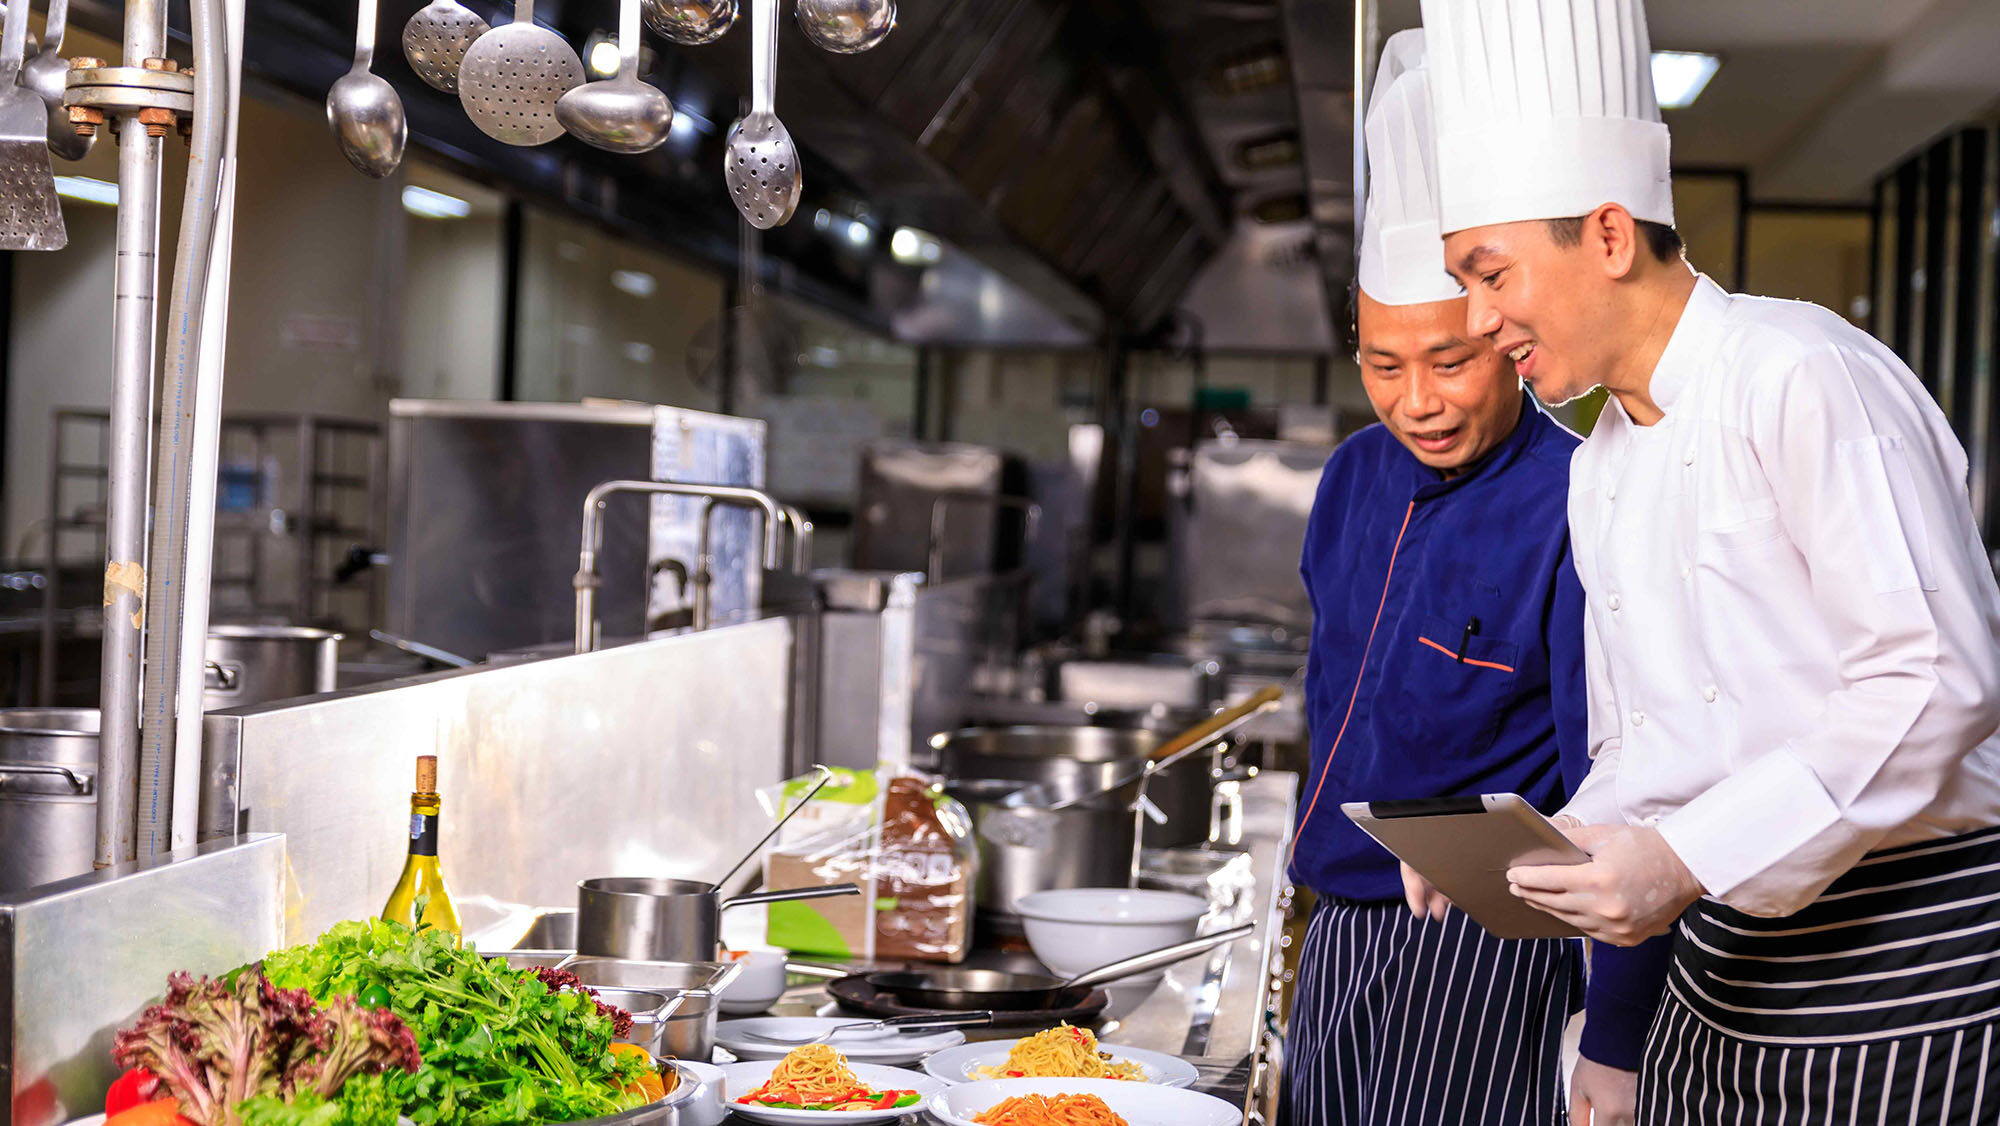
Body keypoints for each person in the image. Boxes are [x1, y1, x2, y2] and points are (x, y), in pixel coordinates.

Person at [1418, 0, 2000, 1119]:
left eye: (1490, 274)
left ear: (1603, 233)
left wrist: (1682, 857)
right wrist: (1545, 844)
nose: (1480, 320)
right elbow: (1657, 740)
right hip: (1723, 970)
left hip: (1907, 964)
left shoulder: (1800, 370)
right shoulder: (1604, 457)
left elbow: (1936, 681)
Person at [1281, 31, 1663, 1126]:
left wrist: (1615, 1025)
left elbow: (1624, 772)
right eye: (1383, 365)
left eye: (1448, 360)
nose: (1417, 402)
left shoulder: (1577, 499)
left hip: (1479, 949)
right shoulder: (1351, 478)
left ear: (1502, 334)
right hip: (1335, 927)